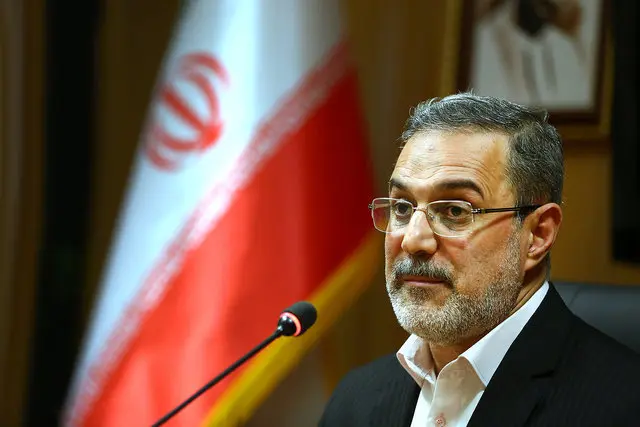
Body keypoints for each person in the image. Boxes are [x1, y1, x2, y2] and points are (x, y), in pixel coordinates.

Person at [319, 93, 640, 427]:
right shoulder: (354, 400)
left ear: (538, 234)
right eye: (402, 207)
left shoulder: (624, 406)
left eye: (455, 211)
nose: (413, 240)